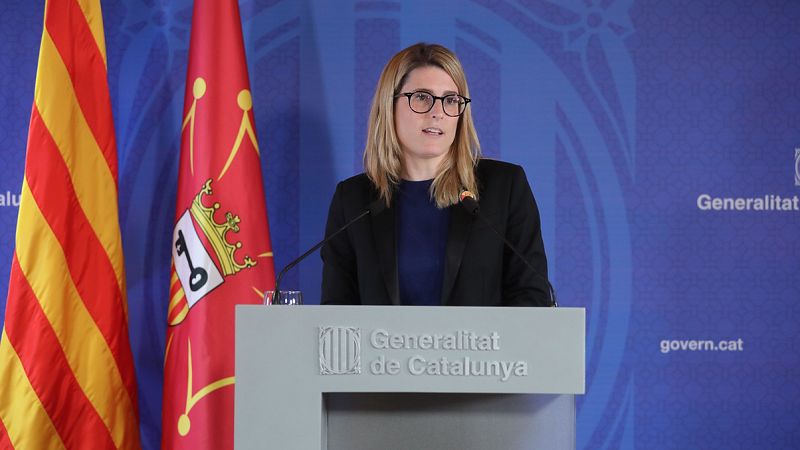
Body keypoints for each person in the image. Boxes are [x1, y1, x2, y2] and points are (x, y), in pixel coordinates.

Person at [321, 43, 553, 307]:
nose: (438, 112)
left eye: (451, 100)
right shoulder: (353, 200)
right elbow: (335, 311)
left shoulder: (504, 188)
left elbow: (531, 298)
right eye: (422, 97)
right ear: (389, 105)